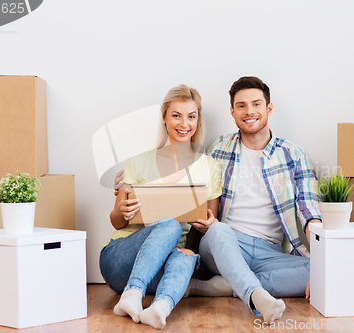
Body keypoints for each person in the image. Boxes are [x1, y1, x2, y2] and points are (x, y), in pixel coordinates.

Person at [189, 76, 322, 323]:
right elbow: (190, 184)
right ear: (232, 112)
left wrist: (322, 257)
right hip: (224, 243)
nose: (249, 111)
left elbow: (309, 208)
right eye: (241, 105)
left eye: (256, 104)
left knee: (325, 269)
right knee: (218, 230)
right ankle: (255, 294)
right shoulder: (219, 148)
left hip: (269, 252)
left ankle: (225, 286)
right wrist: (130, 181)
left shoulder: (293, 155)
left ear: (268, 108)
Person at [100, 84, 230, 330]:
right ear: (164, 117)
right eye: (176, 115)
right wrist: (121, 212)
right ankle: (133, 293)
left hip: (162, 268)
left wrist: (209, 225)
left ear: (198, 119)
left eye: (191, 116)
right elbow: (117, 221)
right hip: (120, 260)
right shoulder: (137, 162)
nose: (184, 124)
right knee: (169, 224)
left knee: (186, 255)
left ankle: (160, 308)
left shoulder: (211, 167)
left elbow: (210, 222)